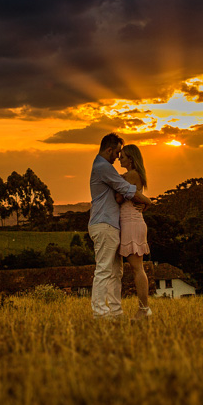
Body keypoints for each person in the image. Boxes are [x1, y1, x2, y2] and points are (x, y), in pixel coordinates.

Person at [88, 133, 151, 319]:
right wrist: (149, 202)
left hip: (113, 224)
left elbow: (124, 188)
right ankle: (100, 313)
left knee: (116, 271)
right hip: (105, 224)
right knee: (105, 269)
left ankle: (116, 312)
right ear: (109, 150)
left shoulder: (107, 168)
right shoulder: (103, 167)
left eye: (121, 155)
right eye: (117, 153)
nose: (117, 157)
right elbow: (123, 191)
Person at [116, 144, 152, 318]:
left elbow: (119, 197)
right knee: (137, 268)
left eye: (122, 156)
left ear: (131, 158)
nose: (119, 159)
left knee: (137, 268)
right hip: (131, 221)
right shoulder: (132, 175)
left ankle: (144, 309)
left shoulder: (131, 174)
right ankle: (143, 308)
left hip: (131, 222)